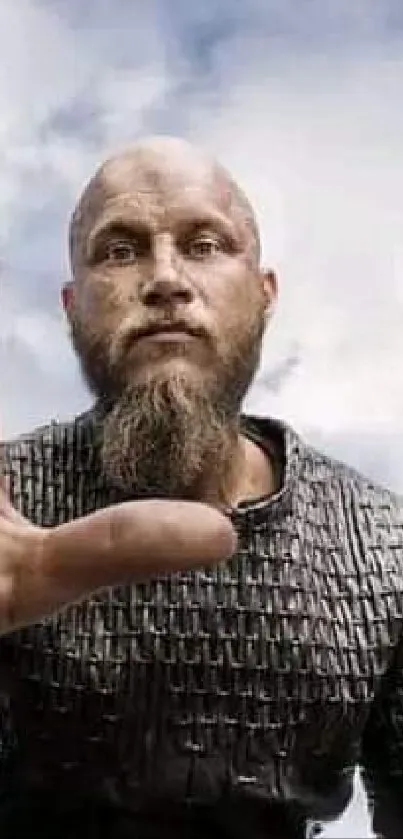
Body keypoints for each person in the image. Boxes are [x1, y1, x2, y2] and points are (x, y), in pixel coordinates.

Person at [0, 136, 402, 839]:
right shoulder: (7, 506)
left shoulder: (381, 547)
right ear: (72, 305)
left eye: (205, 244)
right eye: (119, 250)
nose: (164, 279)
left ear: (264, 291)